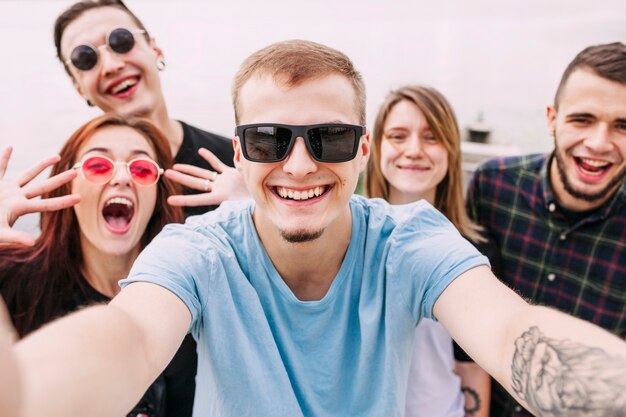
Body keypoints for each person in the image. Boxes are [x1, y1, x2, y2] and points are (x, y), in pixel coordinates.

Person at [11, 40, 626, 417]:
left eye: (329, 137)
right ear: (240, 151)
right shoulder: (198, 250)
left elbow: (511, 330)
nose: (300, 164)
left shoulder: (409, 241)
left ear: (362, 151)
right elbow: (132, 338)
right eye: (268, 139)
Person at [466, 41, 626, 417]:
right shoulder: (493, 187)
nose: (599, 143)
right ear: (552, 118)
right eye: (582, 119)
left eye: (622, 126)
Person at [0, 114, 185, 417]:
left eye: (141, 169)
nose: (122, 178)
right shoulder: (12, 281)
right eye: (98, 166)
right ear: (65, 186)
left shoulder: (195, 291)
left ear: (158, 194)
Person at [365, 85, 495, 417]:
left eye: (431, 137)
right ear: (375, 147)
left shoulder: (473, 251)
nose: (413, 150)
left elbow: (471, 367)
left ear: (451, 150)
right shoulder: (346, 238)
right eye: (397, 136)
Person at [54, 0, 247, 217]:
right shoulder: (69, 188)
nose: (111, 66)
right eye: (85, 58)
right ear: (79, 88)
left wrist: (259, 211)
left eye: (121, 40)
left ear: (155, 50)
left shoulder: (235, 163)